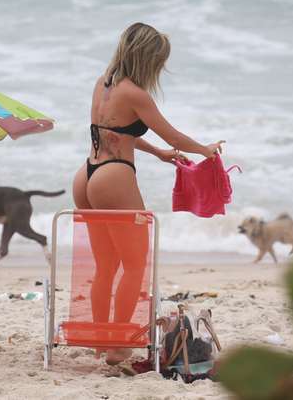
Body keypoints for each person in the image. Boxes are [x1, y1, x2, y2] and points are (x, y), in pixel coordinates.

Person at [72, 22, 224, 364]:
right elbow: (175, 136)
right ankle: (119, 346)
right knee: (135, 263)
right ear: (148, 59)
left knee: (106, 265)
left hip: (87, 174)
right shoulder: (136, 94)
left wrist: (158, 155)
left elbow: (112, 131)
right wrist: (206, 150)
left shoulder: (104, 84)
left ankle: (101, 339)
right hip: (113, 179)